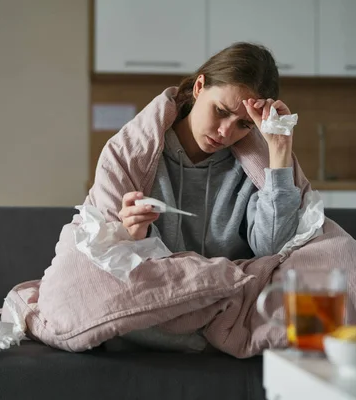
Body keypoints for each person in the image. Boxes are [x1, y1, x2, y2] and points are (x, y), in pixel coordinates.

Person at [116, 42, 302, 259]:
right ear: (199, 86)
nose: (225, 132)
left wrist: (279, 152)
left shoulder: (253, 170)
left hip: (237, 288)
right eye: (221, 111)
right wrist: (139, 235)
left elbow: (273, 251)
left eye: (244, 124)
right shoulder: (140, 155)